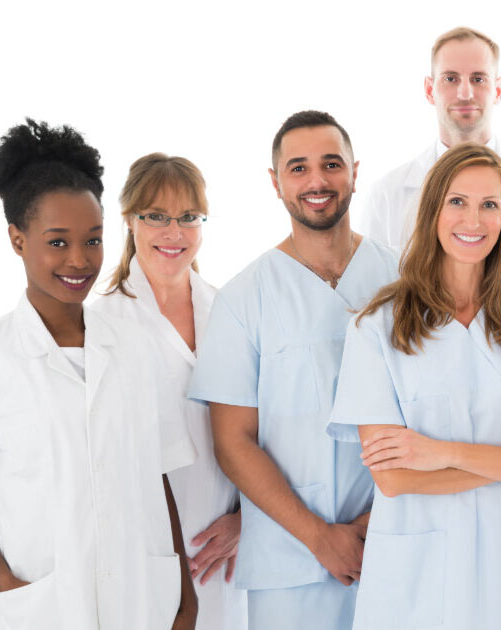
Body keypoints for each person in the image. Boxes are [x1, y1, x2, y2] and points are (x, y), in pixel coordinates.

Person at [327, 143, 501, 630]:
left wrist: (437, 452)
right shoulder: (377, 330)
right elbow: (395, 478)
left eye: (490, 204)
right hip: (415, 584)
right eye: (457, 202)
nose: (474, 219)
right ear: (432, 213)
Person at [188, 111, 398, 629]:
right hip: (290, 560)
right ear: (276, 181)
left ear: (354, 172)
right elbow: (234, 441)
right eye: (298, 168)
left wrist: (379, 525)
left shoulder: (402, 279)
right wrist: (320, 538)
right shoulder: (244, 297)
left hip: (395, 543)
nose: (317, 181)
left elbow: (431, 413)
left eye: (331, 165)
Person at [0, 120, 198, 629]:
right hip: (42, 603)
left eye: (94, 240)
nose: (80, 260)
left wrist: (184, 590)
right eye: (57, 243)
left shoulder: (136, 344)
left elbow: (161, 473)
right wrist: (0, 581)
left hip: (142, 599)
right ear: (17, 239)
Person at [93, 153, 247, 629]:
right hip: (145, 554)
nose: (173, 232)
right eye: (156, 216)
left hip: (228, 549)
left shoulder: (229, 310)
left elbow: (263, 427)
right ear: (128, 220)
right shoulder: (101, 324)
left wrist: (248, 519)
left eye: (187, 217)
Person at [356, 26, 501, 248]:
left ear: (498, 90)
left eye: (478, 79)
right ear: (429, 90)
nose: (465, 94)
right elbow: (374, 279)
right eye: (451, 79)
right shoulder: (386, 196)